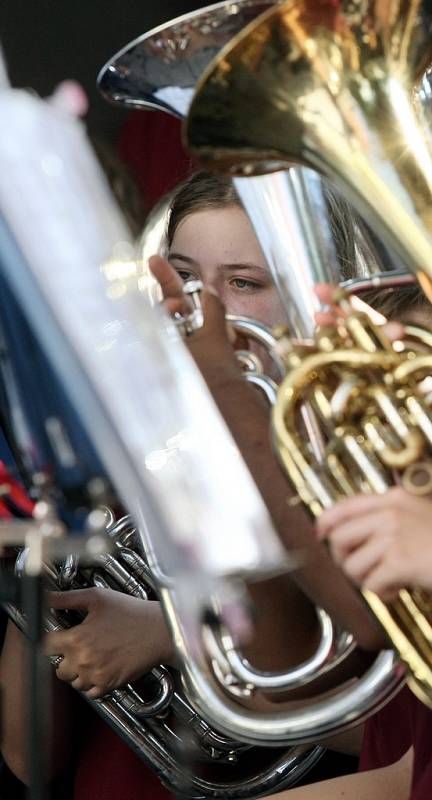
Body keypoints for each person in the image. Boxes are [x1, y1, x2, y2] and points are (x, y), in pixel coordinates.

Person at [1, 170, 370, 799]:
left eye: (245, 283)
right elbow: (26, 758)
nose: (202, 306)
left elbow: (398, 742)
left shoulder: (371, 463)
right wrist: (39, 573)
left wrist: (174, 634)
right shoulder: (134, 458)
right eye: (184, 276)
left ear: (320, 295)